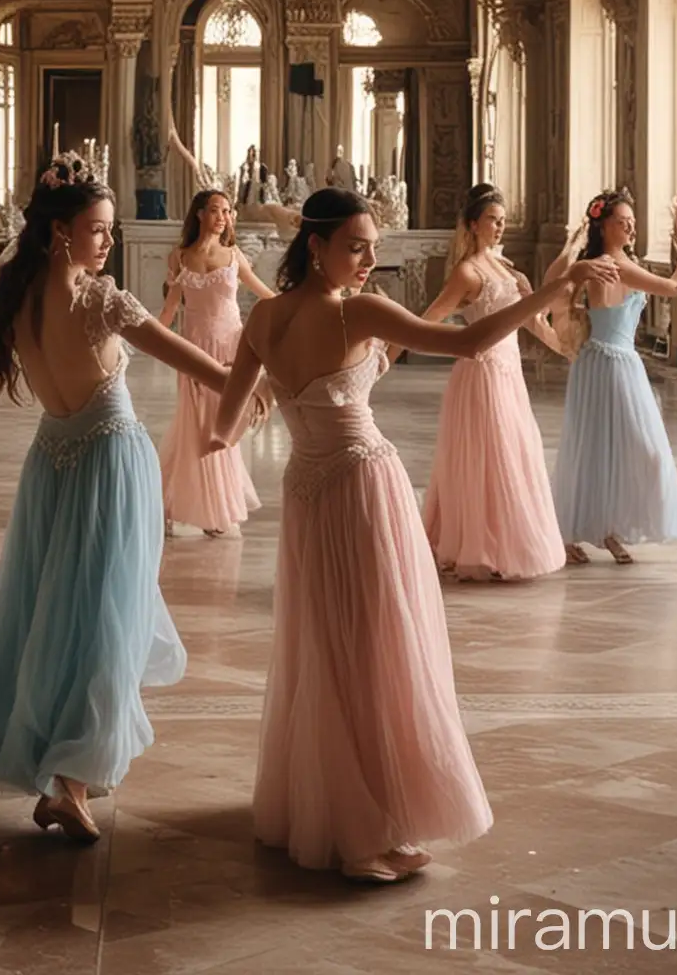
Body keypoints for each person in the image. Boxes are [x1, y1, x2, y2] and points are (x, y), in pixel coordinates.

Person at [211, 189, 617, 881]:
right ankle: (367, 832)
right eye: (356, 245)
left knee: (324, 645)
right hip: (363, 488)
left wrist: (251, 427)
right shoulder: (356, 312)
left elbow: (227, 423)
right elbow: (467, 340)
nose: (370, 259)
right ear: (316, 245)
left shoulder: (265, 317)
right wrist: (557, 285)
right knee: (376, 645)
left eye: (372, 246)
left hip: (307, 495)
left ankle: (323, 808)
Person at [0, 158, 256, 843]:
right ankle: (71, 782)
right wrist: (252, 382)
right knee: (102, 618)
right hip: (109, 464)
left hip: (51, 465)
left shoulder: (17, 302)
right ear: (59, 233)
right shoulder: (103, 301)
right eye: (98, 230)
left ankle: (64, 767)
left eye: (108, 231)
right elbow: (186, 358)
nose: (107, 242)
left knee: (53, 614)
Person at [411, 184, 567, 582]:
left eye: (502, 221)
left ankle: (502, 543)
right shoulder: (467, 272)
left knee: (514, 452)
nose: (500, 227)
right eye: (492, 221)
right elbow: (430, 318)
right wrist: (389, 347)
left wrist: (568, 351)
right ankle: (475, 547)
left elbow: (533, 320)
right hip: (481, 373)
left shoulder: (507, 267)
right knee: (485, 457)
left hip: (510, 373)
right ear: (473, 225)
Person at [546, 190, 677, 566]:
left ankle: (604, 529)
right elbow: (675, 284)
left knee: (608, 450)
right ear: (603, 226)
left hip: (616, 362)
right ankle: (588, 531)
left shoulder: (615, 262)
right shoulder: (612, 265)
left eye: (632, 220)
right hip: (609, 363)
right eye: (622, 221)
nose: (631, 225)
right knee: (615, 449)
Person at [158, 189, 276, 538]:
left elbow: (264, 294)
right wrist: (147, 340)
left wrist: (299, 310)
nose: (222, 217)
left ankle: (216, 508)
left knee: (221, 426)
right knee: (194, 426)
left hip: (232, 348)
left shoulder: (234, 255)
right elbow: (169, 309)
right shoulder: (179, 257)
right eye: (214, 210)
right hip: (194, 348)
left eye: (226, 211)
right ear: (199, 214)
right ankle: (168, 501)